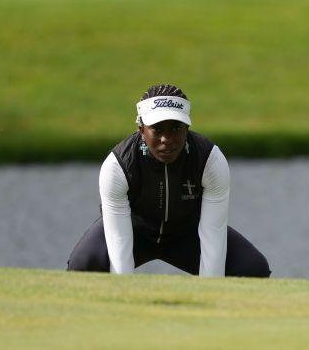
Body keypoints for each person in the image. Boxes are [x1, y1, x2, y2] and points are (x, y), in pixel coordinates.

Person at [67, 84, 270, 278]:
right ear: (141, 129)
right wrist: (123, 296)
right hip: (134, 230)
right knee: (83, 264)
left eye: (175, 128)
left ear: (187, 128)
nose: (166, 139)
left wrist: (211, 298)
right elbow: (119, 246)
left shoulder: (209, 159)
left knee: (252, 267)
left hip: (187, 233)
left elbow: (212, 234)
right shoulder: (118, 165)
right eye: (157, 128)